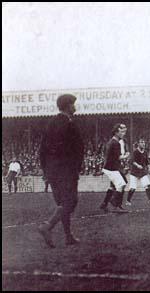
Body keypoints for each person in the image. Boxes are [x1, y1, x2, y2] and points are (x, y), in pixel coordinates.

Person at [38, 94, 84, 248]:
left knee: (62, 203)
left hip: (52, 171)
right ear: (68, 106)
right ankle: (48, 226)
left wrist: (46, 171)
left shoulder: (50, 123)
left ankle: (68, 236)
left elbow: (42, 150)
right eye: (73, 104)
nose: (75, 106)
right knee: (71, 201)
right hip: (67, 171)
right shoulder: (70, 124)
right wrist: (76, 168)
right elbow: (77, 149)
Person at [99, 123, 130, 212]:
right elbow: (118, 157)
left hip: (111, 166)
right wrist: (126, 156)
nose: (123, 133)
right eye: (121, 131)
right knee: (122, 184)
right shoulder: (115, 143)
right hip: (113, 167)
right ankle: (116, 204)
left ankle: (105, 203)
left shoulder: (111, 142)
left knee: (113, 186)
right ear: (116, 132)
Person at [125, 139, 150, 206]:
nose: (143, 144)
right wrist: (137, 165)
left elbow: (146, 162)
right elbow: (131, 161)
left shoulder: (145, 152)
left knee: (147, 185)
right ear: (139, 144)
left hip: (142, 172)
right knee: (133, 188)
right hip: (134, 172)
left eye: (144, 143)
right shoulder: (135, 152)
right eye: (142, 142)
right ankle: (128, 201)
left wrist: (149, 167)